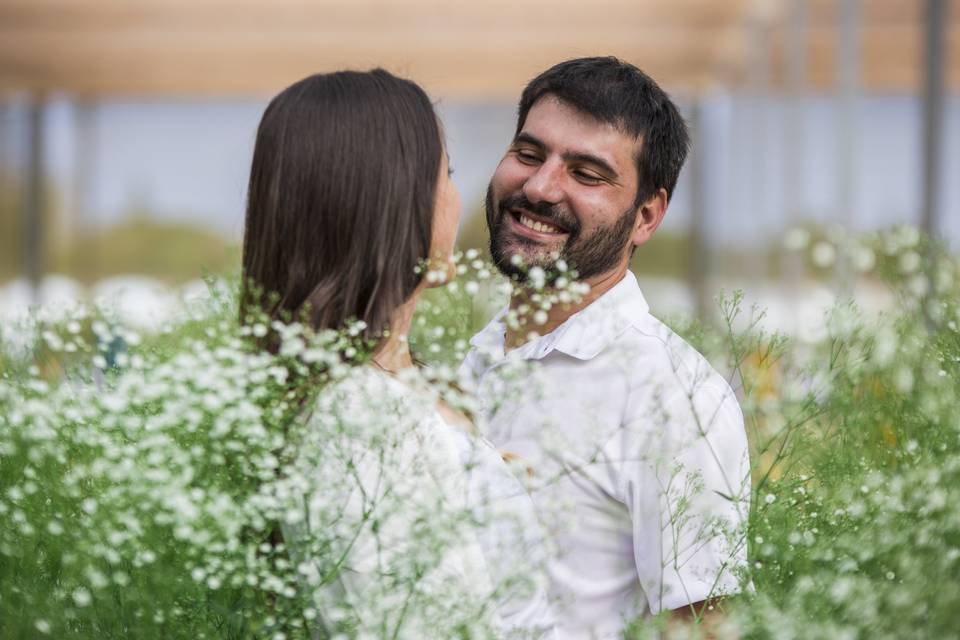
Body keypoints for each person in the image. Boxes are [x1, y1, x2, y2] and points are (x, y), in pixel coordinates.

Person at [240, 69, 556, 639]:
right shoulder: (360, 418)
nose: (460, 196)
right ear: (391, 197)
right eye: (447, 172)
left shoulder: (394, 389)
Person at [460, 57, 751, 638]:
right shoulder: (473, 356)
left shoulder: (676, 398)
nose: (540, 187)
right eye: (528, 153)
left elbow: (703, 627)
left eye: (587, 174)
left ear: (647, 216)